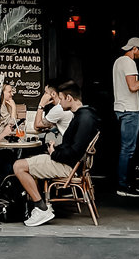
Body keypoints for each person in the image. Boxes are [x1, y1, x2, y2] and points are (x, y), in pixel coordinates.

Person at [14, 80, 100, 227]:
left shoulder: (84, 118)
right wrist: (55, 149)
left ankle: (41, 208)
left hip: (68, 167)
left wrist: (54, 153)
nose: (59, 103)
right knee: (29, 161)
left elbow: (74, 151)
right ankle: (41, 205)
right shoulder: (85, 115)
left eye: (61, 99)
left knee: (18, 166)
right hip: (70, 164)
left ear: (69, 98)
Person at [112, 36, 139, 196]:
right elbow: (133, 86)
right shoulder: (129, 62)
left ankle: (127, 183)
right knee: (128, 150)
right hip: (129, 110)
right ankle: (123, 186)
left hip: (121, 109)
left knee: (126, 149)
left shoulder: (118, 61)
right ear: (134, 49)